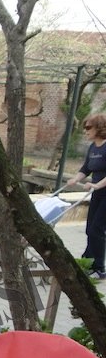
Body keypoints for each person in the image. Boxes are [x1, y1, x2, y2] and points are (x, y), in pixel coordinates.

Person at [67, 113, 106, 280]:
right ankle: (87, 261)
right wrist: (75, 179)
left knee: (97, 229)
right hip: (97, 193)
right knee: (90, 228)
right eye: (85, 128)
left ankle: (99, 268)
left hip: (103, 191)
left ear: (99, 128)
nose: (85, 131)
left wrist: (97, 185)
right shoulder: (92, 148)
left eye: (89, 127)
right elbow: (86, 168)